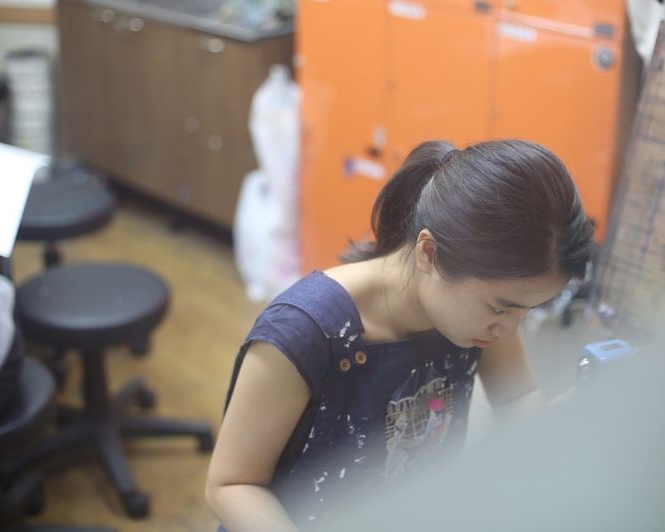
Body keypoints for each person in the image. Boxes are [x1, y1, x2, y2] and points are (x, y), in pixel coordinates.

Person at [205, 139, 595, 531]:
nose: (510, 328)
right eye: (502, 308)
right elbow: (232, 485)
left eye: (527, 312)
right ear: (428, 253)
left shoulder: (484, 318)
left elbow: (518, 397)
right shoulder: (304, 330)